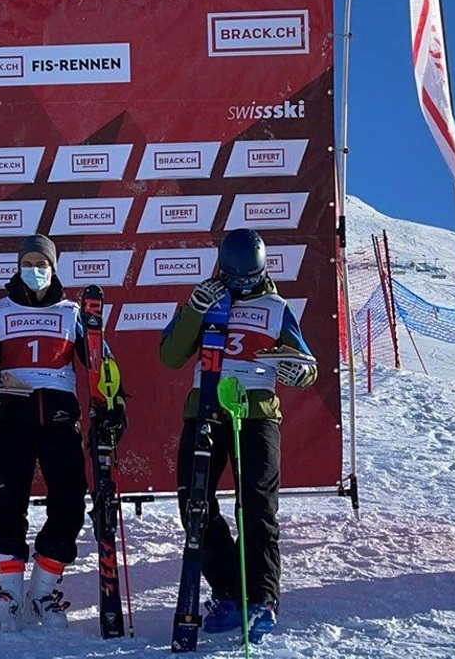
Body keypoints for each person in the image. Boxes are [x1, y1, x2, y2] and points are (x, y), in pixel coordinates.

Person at [160, 228, 317, 643]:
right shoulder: (206, 297)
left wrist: (299, 370)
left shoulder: (276, 307)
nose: (241, 285)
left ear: (262, 270)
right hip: (205, 411)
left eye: (249, 277)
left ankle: (262, 600)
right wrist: (194, 309)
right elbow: (171, 355)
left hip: (257, 414)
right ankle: (230, 589)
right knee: (194, 504)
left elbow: (305, 362)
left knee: (258, 506)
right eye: (234, 277)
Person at [0, 233, 125, 632]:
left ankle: (43, 590)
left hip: (59, 421)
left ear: (53, 269)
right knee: (8, 503)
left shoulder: (73, 312)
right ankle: (7, 589)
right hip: (13, 420)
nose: (35, 271)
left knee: (70, 504)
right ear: (18, 266)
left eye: (42, 264)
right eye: (29, 263)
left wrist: (114, 403)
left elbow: (100, 363)